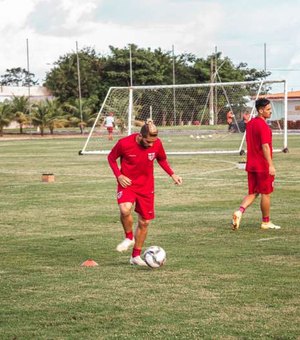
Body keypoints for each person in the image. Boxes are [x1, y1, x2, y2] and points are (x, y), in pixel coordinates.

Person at [107, 119, 183, 266]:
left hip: (146, 187)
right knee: (125, 209)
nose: (151, 145)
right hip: (127, 184)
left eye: (153, 142)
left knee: (145, 222)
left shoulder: (157, 143)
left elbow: (162, 159)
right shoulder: (124, 143)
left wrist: (172, 174)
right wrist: (119, 175)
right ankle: (129, 237)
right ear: (140, 136)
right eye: (148, 142)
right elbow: (111, 158)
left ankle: (135, 256)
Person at [232, 98, 281, 230]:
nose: (270, 112)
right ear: (260, 110)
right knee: (266, 193)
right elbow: (265, 146)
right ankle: (266, 222)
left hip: (251, 164)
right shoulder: (263, 125)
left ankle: (239, 211)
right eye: (268, 110)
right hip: (262, 165)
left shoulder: (251, 124)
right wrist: (270, 165)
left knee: (253, 192)